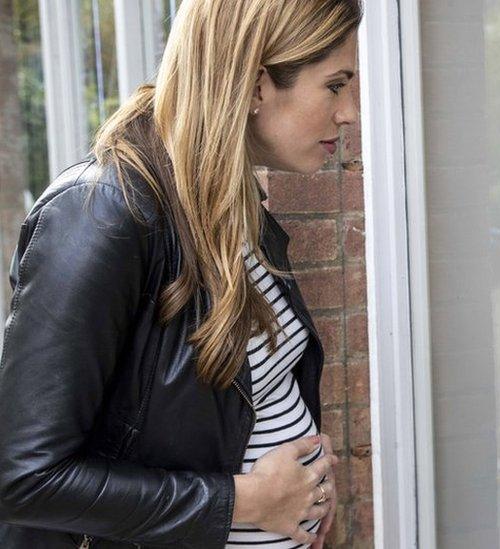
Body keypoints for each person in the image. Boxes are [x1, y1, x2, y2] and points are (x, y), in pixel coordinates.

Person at [0, 1, 361, 547]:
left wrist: (304, 483)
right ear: (257, 84)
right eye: (335, 85)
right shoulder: (101, 213)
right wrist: (246, 502)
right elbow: (24, 478)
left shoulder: (225, 204)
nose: (350, 112)